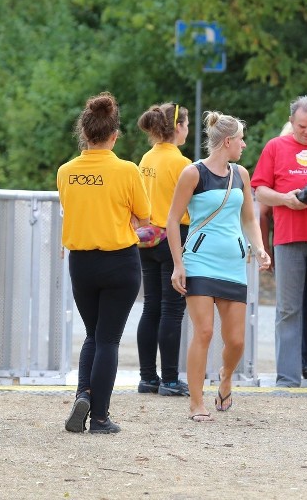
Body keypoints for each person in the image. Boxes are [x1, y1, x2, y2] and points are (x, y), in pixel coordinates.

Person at [167, 110, 271, 422]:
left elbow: (250, 219)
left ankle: (225, 378)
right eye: (241, 139)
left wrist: (260, 249)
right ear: (227, 141)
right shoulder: (193, 173)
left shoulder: (241, 174)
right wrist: (177, 265)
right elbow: (172, 220)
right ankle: (196, 403)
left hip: (233, 264)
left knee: (237, 340)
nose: (244, 144)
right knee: (205, 331)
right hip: (199, 262)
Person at [57, 92, 151, 434]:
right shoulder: (126, 170)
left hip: (81, 263)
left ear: (84, 132)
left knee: (92, 335)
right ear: (115, 135)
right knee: (109, 339)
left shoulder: (66, 171)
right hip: (119, 262)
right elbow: (144, 216)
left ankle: (84, 392)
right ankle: (99, 418)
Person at [252, 96, 307, 388]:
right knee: (288, 308)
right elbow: (260, 191)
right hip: (287, 238)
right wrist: (286, 199)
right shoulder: (276, 147)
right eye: (302, 126)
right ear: (292, 122)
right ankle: (287, 376)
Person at [135, 103, 192, 397]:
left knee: (151, 307)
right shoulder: (181, 163)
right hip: (173, 237)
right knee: (172, 309)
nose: (188, 129)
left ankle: (148, 377)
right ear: (177, 127)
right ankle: (170, 379)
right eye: (186, 124)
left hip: (147, 238)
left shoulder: (147, 158)